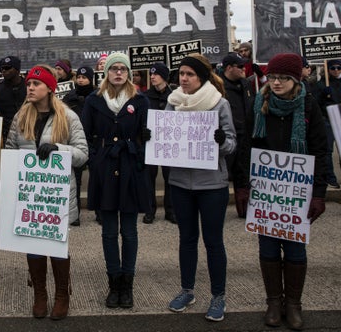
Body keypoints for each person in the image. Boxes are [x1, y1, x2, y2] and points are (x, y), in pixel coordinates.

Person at [245, 53, 327, 330]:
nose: (277, 83)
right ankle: (273, 302)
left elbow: (320, 149)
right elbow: (248, 147)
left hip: (298, 192)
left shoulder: (309, 106)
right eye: (273, 77)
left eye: (283, 78)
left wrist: (319, 193)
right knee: (267, 247)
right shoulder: (258, 104)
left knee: (295, 249)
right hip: (266, 190)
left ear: (296, 80)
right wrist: (244, 186)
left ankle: (293, 303)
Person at [6, 64, 88, 320]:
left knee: (56, 245)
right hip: (29, 194)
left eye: (35, 84)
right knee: (32, 245)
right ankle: (40, 293)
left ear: (50, 89)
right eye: (29, 84)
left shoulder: (68, 116)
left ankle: (62, 294)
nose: (29, 87)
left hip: (57, 196)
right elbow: (10, 151)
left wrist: (58, 149)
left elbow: (83, 154)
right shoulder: (21, 117)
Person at [163, 53, 236, 322]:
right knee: (187, 239)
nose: (183, 79)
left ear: (202, 77)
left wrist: (220, 142)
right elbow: (165, 139)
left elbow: (232, 143)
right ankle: (187, 290)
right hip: (181, 183)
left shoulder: (219, 104)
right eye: (181, 74)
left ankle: (219, 296)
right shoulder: (173, 103)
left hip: (211, 184)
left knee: (214, 241)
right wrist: (152, 138)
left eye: (189, 74)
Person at [82, 52, 150, 310]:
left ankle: (127, 285)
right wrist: (95, 160)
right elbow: (85, 134)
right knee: (109, 231)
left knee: (129, 232)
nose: (118, 73)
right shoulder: (93, 99)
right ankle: (114, 284)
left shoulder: (140, 100)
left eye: (123, 69)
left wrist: (144, 149)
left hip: (130, 168)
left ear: (129, 73)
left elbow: (147, 137)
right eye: (114, 69)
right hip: (106, 168)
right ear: (106, 72)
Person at [0, 55, 26, 229]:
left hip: (28, 137)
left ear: (17, 69)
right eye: (2, 69)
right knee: (2, 179)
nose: (4, 71)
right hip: (4, 138)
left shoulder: (30, 87)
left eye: (8, 68)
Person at [218, 53, 255, 219]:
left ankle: (244, 208)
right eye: (239, 66)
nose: (243, 69)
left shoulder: (245, 84)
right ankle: (218, 208)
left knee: (243, 174)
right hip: (226, 138)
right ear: (229, 68)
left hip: (245, 135)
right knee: (223, 174)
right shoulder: (218, 86)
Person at [142, 62, 176, 224]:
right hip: (151, 143)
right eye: (151, 74)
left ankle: (170, 210)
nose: (152, 77)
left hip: (169, 143)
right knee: (149, 178)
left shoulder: (175, 96)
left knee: (170, 177)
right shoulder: (145, 96)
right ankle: (150, 210)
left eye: (156, 74)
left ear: (165, 77)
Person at [62, 65, 95, 226]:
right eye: (79, 77)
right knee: (77, 179)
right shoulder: (70, 96)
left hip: (93, 141)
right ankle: (75, 214)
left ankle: (100, 211)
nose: (81, 80)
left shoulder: (97, 96)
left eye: (84, 78)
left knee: (97, 178)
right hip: (76, 141)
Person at [313, 58, 341, 189]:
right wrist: (324, 94)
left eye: (338, 68)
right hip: (327, 119)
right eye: (333, 68)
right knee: (327, 150)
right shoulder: (321, 84)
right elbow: (315, 102)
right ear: (328, 69)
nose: (336, 71)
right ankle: (330, 178)